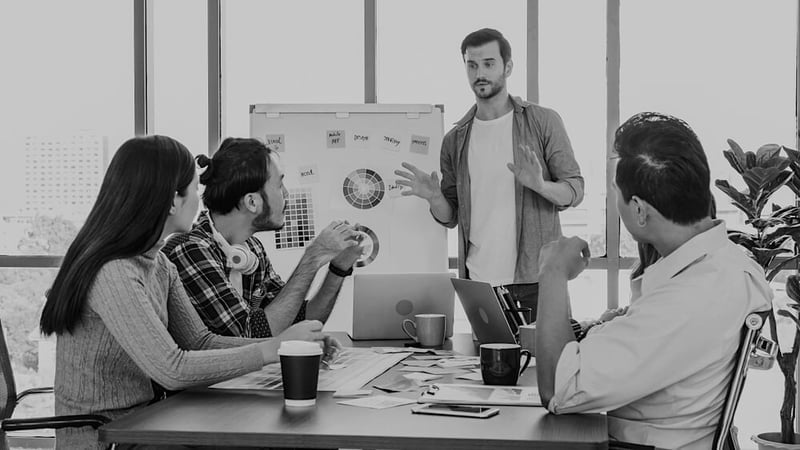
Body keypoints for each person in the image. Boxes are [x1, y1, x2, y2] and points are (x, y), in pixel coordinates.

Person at [39, 136, 334, 449]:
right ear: (171, 200)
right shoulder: (114, 272)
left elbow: (200, 342)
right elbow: (172, 369)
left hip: (148, 425)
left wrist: (288, 346)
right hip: (107, 438)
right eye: (194, 189)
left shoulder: (160, 263)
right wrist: (271, 349)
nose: (200, 199)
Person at [535, 112, 772, 449]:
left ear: (640, 210)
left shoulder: (693, 296)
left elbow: (559, 391)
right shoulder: (725, 264)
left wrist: (553, 272)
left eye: (616, 195)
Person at [395, 28, 584, 313]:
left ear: (507, 67)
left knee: (548, 358)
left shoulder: (543, 121)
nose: (479, 73)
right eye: (472, 65)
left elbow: (575, 190)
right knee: (484, 359)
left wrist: (541, 185)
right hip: (480, 284)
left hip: (537, 280)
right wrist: (434, 198)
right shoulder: (455, 139)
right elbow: (451, 216)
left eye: (488, 64)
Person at [166, 137, 363, 338]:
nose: (286, 194)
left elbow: (298, 321)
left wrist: (338, 268)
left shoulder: (253, 248)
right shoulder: (191, 249)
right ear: (252, 202)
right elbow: (249, 337)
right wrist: (312, 258)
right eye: (279, 185)